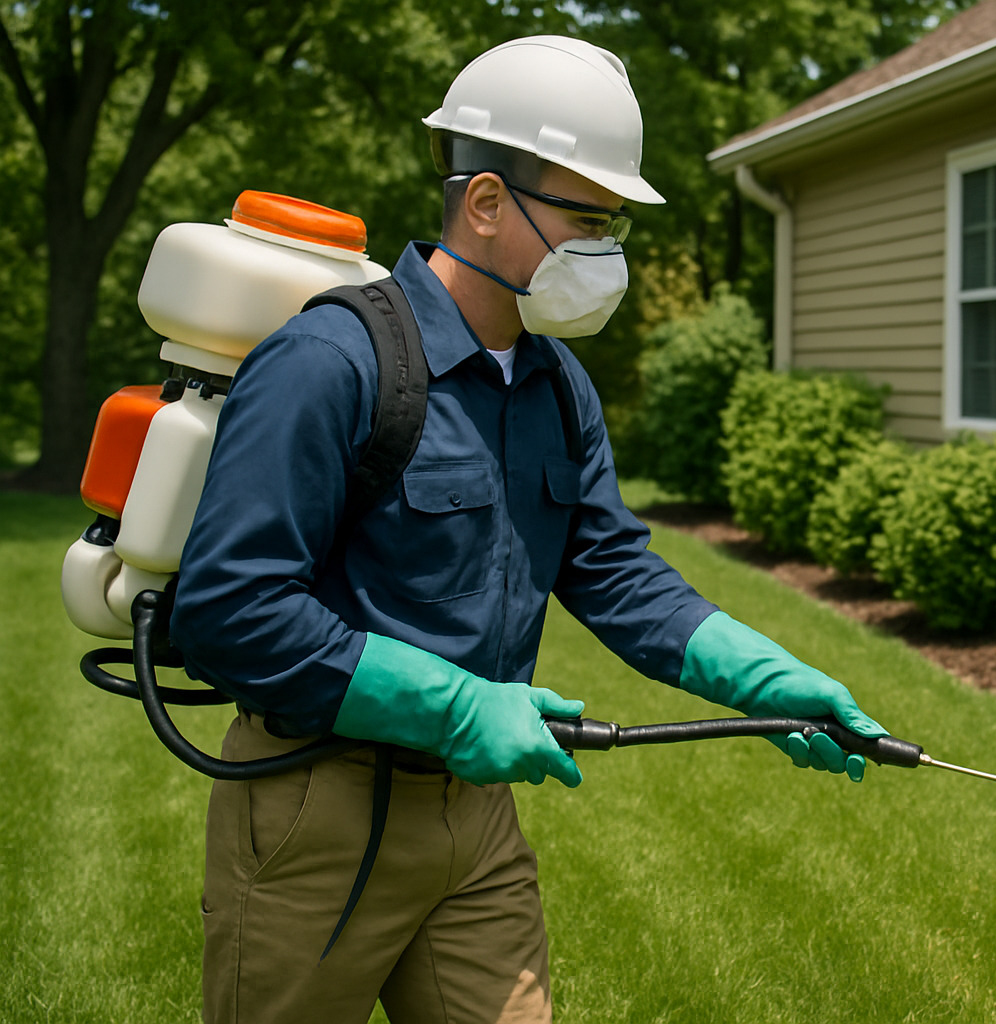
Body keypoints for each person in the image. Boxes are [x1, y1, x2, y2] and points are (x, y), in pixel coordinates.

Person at [169, 34, 885, 1024]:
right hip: (312, 810)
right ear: (486, 202)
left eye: (616, 225)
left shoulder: (557, 386)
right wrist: (458, 706)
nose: (608, 251)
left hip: (476, 822)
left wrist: (768, 679)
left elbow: (616, 574)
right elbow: (228, 611)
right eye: (588, 220)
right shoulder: (331, 362)